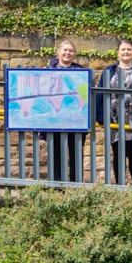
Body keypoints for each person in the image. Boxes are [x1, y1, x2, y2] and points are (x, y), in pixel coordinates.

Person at [96, 39, 132, 186]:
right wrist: (101, 117)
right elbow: (100, 94)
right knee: (118, 155)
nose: (126, 52)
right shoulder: (109, 71)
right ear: (118, 52)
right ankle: (120, 188)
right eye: (123, 49)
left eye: (129, 49)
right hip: (114, 121)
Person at [46, 40, 87, 182]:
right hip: (54, 120)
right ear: (58, 52)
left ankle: (76, 184)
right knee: (55, 153)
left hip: (75, 119)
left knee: (76, 153)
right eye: (65, 50)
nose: (67, 53)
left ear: (74, 54)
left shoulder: (81, 72)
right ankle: (57, 184)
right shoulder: (48, 71)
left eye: (70, 51)